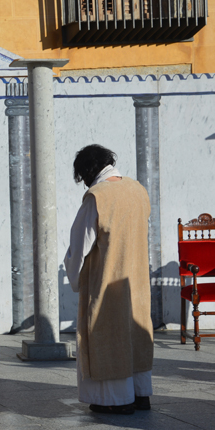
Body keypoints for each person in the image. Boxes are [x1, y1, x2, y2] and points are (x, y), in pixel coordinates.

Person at [64, 144, 154, 415]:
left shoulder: (98, 196)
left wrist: (75, 278)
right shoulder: (138, 189)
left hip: (107, 278)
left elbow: (80, 245)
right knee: (135, 334)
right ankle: (141, 394)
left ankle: (117, 400)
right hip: (136, 279)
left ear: (87, 171)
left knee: (108, 335)